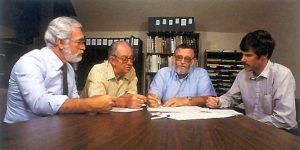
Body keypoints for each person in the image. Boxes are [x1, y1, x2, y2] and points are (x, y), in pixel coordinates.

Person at [4, 16, 115, 123]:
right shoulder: (31, 62)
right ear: (60, 42)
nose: (84, 47)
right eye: (79, 42)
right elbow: (39, 104)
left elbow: (74, 101)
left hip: (53, 130)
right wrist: (91, 104)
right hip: (19, 134)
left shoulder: (68, 68)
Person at [206, 30, 297, 130]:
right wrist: (218, 101)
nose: (242, 59)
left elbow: (284, 120)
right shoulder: (243, 75)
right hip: (252, 130)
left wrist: (249, 124)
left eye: (248, 55)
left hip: (279, 133)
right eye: (242, 54)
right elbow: (231, 98)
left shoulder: (282, 74)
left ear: (264, 55)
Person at [80, 41, 147, 108]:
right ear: (112, 60)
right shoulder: (98, 71)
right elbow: (97, 101)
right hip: (87, 116)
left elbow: (131, 97)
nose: (129, 63)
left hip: (115, 115)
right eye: (124, 59)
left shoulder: (131, 71)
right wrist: (121, 102)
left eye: (131, 58)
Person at [147, 44, 216, 107]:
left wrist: (185, 100)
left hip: (193, 117)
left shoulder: (201, 73)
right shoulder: (163, 73)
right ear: (174, 59)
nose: (182, 62)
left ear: (192, 62)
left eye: (187, 58)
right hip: (167, 116)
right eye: (179, 57)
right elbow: (153, 96)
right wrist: (152, 100)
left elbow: (207, 99)